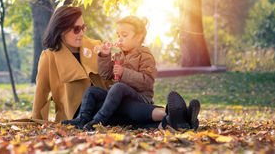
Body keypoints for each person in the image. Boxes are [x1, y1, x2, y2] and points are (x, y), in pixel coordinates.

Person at [62, 16, 201, 131]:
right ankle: (82, 119)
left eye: (124, 35)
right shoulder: (118, 56)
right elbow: (105, 75)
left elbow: (147, 81)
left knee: (119, 88)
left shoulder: (145, 55)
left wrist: (124, 73)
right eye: (118, 35)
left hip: (138, 98)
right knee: (91, 91)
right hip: (119, 101)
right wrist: (104, 56)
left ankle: (99, 121)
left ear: (139, 37)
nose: (119, 39)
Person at [31, 6, 111, 122]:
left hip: (105, 107)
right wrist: (36, 122)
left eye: (83, 28)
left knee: (138, 111)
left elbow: (110, 81)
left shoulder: (96, 47)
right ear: (61, 29)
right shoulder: (49, 57)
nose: (82, 33)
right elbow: (41, 94)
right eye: (76, 29)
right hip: (75, 117)